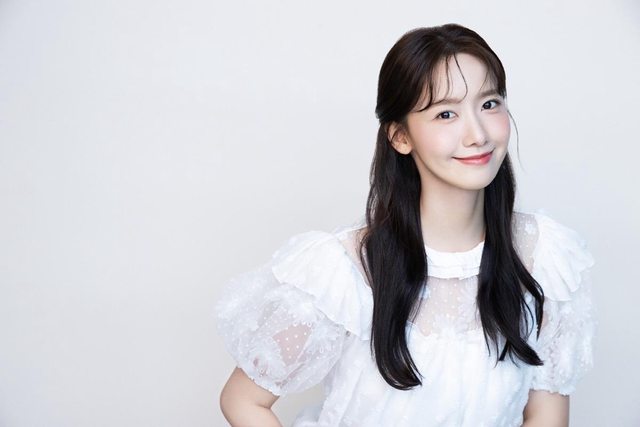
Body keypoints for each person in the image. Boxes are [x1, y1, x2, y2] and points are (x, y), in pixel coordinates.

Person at [214, 23, 596, 427]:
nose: (478, 134)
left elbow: (546, 416)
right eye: (446, 114)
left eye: (489, 104)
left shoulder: (545, 257)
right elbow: (243, 400)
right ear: (400, 137)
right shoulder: (343, 271)